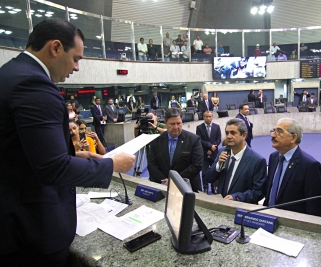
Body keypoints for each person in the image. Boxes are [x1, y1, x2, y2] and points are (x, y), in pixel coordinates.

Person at [0, 18, 135, 266]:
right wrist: (111, 165)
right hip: (29, 231)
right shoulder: (35, 86)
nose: (76, 68)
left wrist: (72, 156)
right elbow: (53, 169)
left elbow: (22, 153)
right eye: (76, 59)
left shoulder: (9, 74)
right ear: (55, 48)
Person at [263, 118, 321, 216]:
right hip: (268, 218)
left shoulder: (310, 166)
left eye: (279, 131)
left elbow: (314, 208)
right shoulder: (273, 157)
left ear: (293, 137)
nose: (273, 135)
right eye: (273, 131)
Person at [207, 119, 267, 204]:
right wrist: (218, 165)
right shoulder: (222, 152)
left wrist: (236, 197)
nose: (229, 136)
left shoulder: (257, 161)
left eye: (233, 133)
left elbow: (259, 192)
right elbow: (208, 178)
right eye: (227, 133)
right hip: (221, 206)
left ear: (244, 135)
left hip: (242, 210)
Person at [147, 108, 203, 191]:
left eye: (178, 123)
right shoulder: (156, 141)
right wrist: (165, 181)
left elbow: (196, 165)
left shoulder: (194, 140)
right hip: (163, 187)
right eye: (172, 124)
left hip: (187, 188)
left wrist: (174, 181)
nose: (176, 127)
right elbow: (151, 165)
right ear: (165, 123)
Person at [196, 111, 221, 194]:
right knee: (204, 172)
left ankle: (214, 187)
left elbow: (218, 139)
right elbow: (199, 140)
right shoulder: (199, 128)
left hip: (214, 153)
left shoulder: (217, 127)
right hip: (204, 153)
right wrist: (210, 147)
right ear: (203, 117)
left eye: (210, 116)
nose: (208, 118)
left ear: (212, 117)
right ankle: (205, 187)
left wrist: (213, 147)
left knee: (214, 171)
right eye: (206, 116)